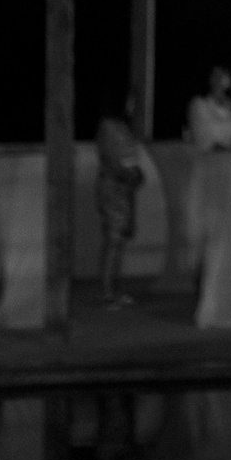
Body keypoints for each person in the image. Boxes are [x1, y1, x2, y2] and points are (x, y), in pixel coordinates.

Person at [96, 95, 147, 307]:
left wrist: (137, 175)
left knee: (120, 240)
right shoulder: (108, 126)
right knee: (113, 240)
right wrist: (130, 175)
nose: (131, 106)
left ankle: (114, 289)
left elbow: (129, 157)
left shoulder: (123, 127)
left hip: (125, 189)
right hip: (113, 188)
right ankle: (106, 292)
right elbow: (111, 160)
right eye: (129, 101)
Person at [187, 66, 231, 151]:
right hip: (208, 157)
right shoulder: (199, 105)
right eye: (216, 76)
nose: (219, 80)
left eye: (223, 75)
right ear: (209, 79)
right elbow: (205, 140)